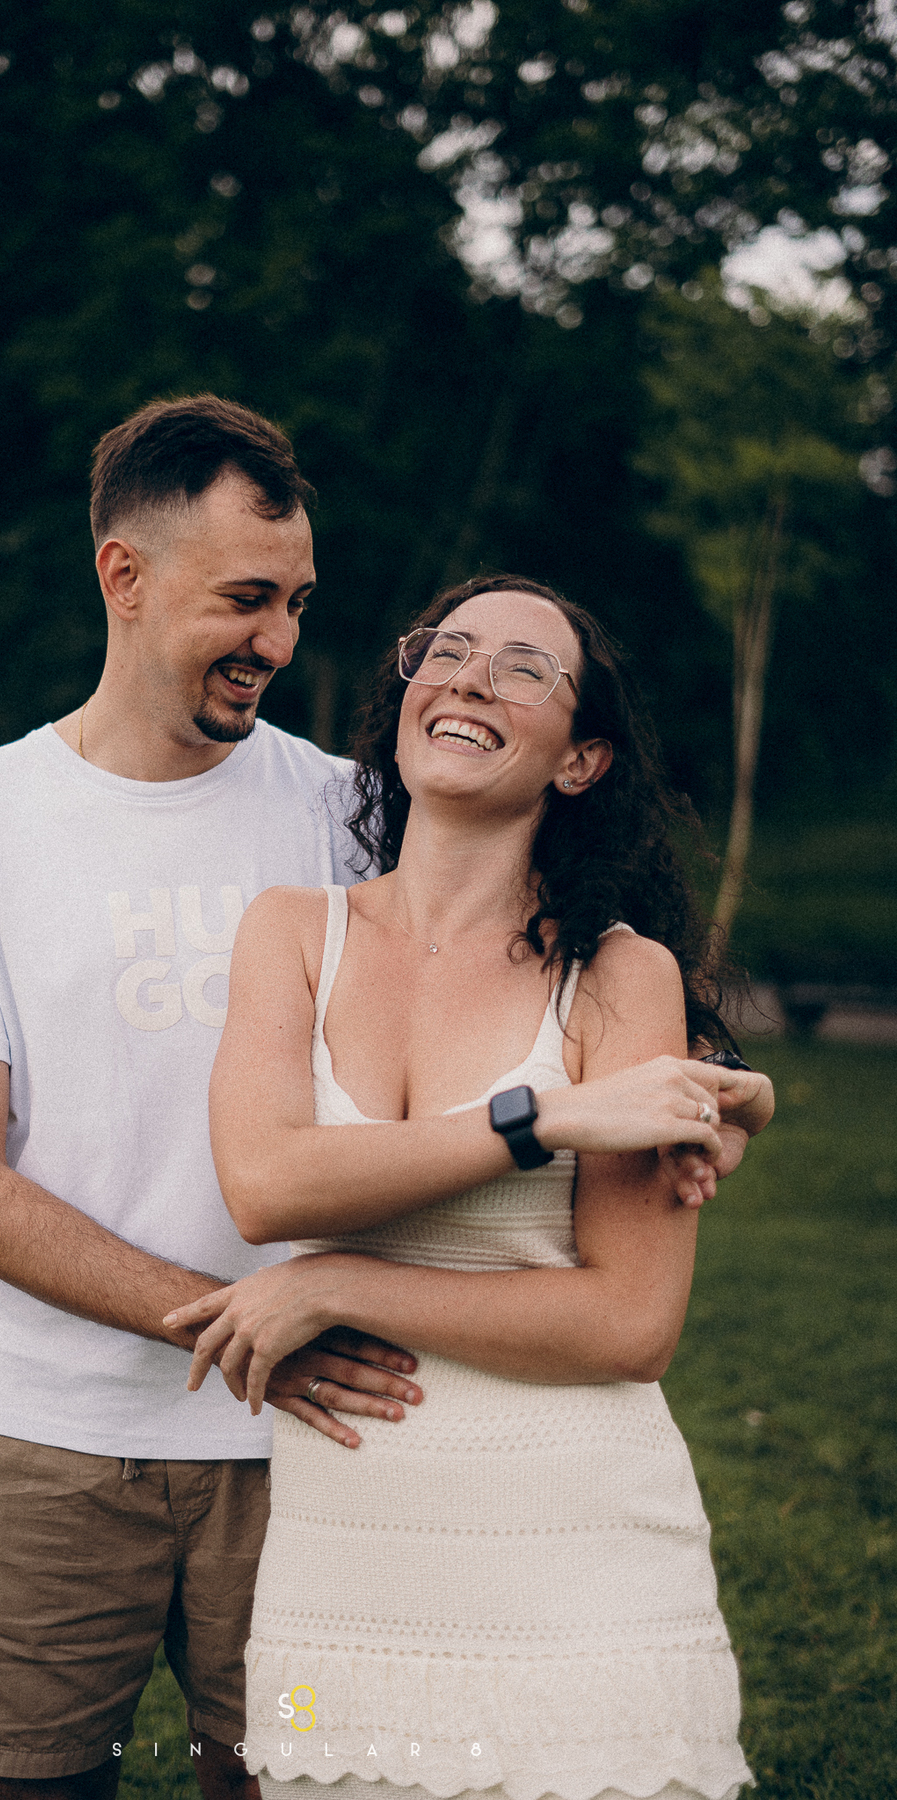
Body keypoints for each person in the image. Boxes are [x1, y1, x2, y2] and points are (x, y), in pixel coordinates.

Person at [0, 397, 430, 1800]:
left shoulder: (357, 817)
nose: (279, 643)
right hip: (40, 1436)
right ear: (125, 575)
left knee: (291, 1785)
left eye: (296, 602)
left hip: (313, 1444)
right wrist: (248, 1334)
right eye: (245, 599)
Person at [166, 575, 773, 1800]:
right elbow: (268, 1183)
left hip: (578, 1556)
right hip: (339, 1570)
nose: (470, 678)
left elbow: (628, 1324)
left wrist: (342, 1283)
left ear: (581, 759)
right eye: (449, 650)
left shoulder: (619, 976)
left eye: (523, 668)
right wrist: (542, 1115)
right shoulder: (291, 930)